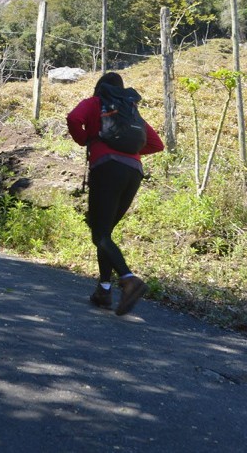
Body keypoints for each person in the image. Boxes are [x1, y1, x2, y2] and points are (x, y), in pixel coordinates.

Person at [67, 71, 164, 316]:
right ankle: (104, 290)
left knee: (99, 233)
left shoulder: (94, 103)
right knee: (105, 233)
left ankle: (128, 279)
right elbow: (157, 144)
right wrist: (130, 152)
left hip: (106, 168)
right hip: (133, 172)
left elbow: (73, 118)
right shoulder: (131, 111)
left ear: (99, 86)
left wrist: (87, 140)